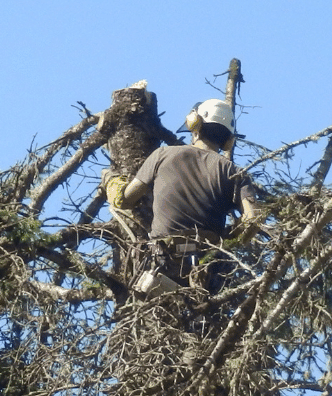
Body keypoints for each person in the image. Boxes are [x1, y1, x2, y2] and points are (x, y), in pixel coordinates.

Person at [105, 98, 260, 293]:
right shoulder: (234, 172)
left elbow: (124, 200)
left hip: (163, 261)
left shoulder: (163, 154)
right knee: (204, 319)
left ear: (194, 125)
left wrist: (110, 179)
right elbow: (253, 219)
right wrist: (227, 238)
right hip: (208, 267)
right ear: (228, 140)